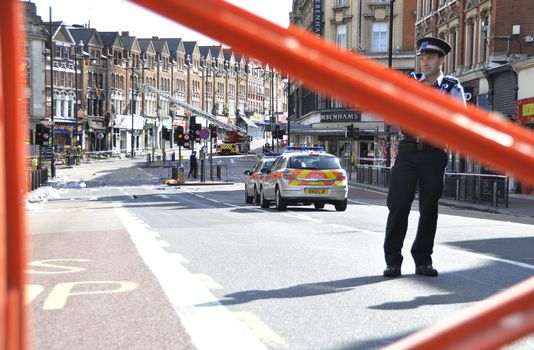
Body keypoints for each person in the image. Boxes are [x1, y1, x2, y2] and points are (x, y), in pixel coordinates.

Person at [383, 37, 466, 278]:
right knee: (398, 205)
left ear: (442, 59)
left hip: (434, 152)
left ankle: (423, 260)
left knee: (429, 208)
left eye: (430, 58)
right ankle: (393, 261)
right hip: (408, 151)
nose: (425, 62)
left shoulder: (452, 88)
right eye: (422, 58)